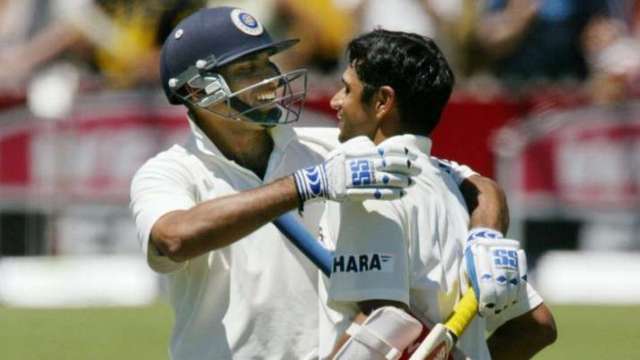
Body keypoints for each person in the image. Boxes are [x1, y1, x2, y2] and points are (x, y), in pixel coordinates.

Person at [130, 6, 530, 359]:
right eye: (247, 70)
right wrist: (308, 185)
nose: (270, 80)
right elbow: (173, 237)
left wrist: (485, 237)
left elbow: (472, 182)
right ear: (198, 90)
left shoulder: (327, 146)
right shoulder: (169, 171)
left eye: (268, 63)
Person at [318, 29, 557, 359]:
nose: (335, 101)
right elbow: (537, 326)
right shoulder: (456, 189)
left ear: (382, 101)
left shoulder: (368, 191)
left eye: (347, 89)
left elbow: (382, 329)